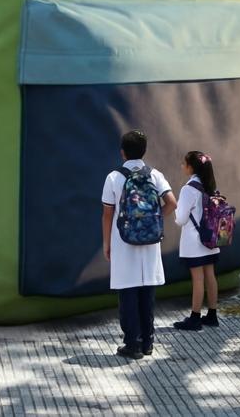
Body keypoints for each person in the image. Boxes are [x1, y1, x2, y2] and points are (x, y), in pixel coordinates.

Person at [101, 129, 176, 360]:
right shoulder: (155, 175)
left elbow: (107, 213)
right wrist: (153, 220)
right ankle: (148, 342)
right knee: (147, 293)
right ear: (144, 151)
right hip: (150, 242)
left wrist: (106, 243)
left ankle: (132, 344)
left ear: (122, 152)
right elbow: (172, 202)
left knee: (128, 294)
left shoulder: (114, 177)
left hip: (123, 241)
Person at [172, 151, 221, 332]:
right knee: (210, 276)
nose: (182, 166)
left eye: (184, 163)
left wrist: (177, 213)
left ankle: (195, 317)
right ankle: (213, 314)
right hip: (211, 239)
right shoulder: (210, 185)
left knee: (198, 279)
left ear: (191, 167)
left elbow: (181, 219)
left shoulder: (188, 189)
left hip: (195, 242)